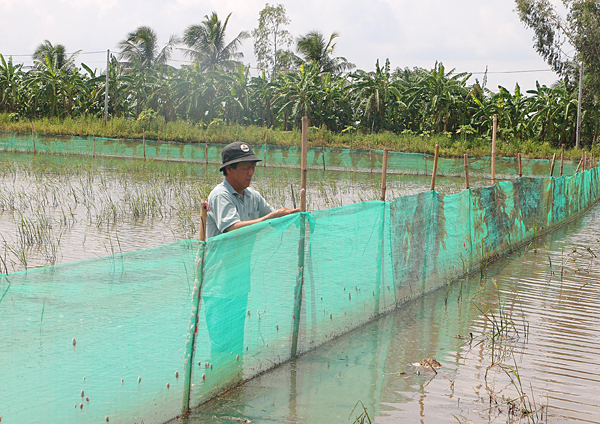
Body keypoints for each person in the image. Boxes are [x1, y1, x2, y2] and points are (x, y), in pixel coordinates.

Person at [206, 141, 299, 238]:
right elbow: (233, 228)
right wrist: (269, 218)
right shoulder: (220, 195)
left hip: (245, 254)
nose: (251, 173)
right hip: (222, 253)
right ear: (229, 169)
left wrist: (292, 216)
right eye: (246, 168)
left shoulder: (253, 196)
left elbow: (275, 220)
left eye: (253, 168)